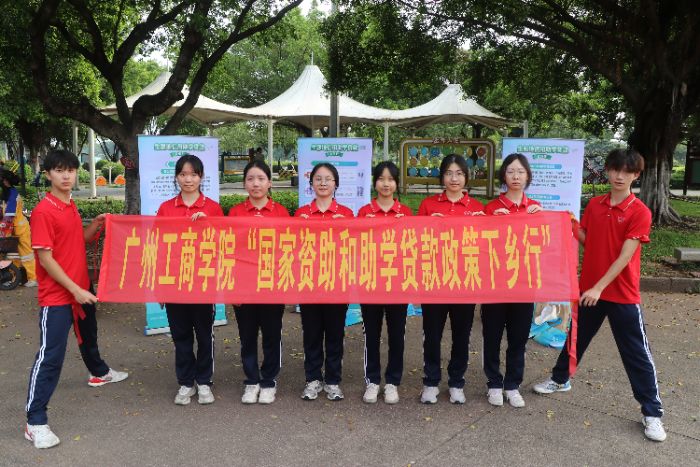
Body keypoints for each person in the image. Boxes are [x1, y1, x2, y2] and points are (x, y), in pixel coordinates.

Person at [533, 148, 667, 442]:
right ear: (607, 171)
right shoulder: (595, 205)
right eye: (615, 169)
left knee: (636, 353)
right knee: (576, 339)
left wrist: (599, 287)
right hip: (590, 289)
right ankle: (560, 379)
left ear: (636, 175)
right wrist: (569, 224)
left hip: (621, 293)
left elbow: (625, 257)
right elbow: (589, 242)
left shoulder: (640, 212)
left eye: (627, 171)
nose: (620, 176)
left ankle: (652, 413)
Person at [24, 150, 128, 449]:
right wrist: (75, 290)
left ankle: (99, 373)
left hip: (81, 288)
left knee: (88, 335)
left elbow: (75, 241)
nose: (66, 176)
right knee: (51, 357)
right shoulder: (43, 211)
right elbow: (46, 259)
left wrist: (95, 225)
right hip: (58, 296)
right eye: (59, 170)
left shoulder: (69, 205)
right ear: (48, 174)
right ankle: (35, 421)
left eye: (70, 170)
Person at [156, 154, 223, 406]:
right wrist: (161, 287)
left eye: (193, 174)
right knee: (181, 335)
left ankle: (204, 381)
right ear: (176, 177)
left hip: (203, 283)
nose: (188, 179)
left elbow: (224, 245)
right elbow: (159, 249)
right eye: (183, 174)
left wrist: (209, 225)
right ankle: (186, 383)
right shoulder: (166, 208)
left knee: (205, 335)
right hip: (175, 283)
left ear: (201, 177)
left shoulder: (212, 208)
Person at [417, 154, 484, 404]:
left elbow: (488, 244)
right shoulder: (428, 205)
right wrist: (427, 226)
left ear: (466, 177)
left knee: (461, 334)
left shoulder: (477, 208)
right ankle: (431, 382)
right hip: (434, 280)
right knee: (432, 334)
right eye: (448, 173)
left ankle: (457, 382)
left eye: (459, 173)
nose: (454, 178)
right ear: (442, 177)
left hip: (465, 281)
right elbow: (414, 241)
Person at [482, 153, 542, 408]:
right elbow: (480, 244)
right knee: (492, 336)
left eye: (520, 171)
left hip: (524, 283)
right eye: (510, 171)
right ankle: (494, 383)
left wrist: (541, 221)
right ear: (503, 176)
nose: (515, 176)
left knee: (518, 338)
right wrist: (493, 223)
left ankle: (512, 385)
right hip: (495, 282)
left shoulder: (535, 208)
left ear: (527, 176)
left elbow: (544, 245)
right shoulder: (491, 208)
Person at [229, 160, 290, 404]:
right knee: (247, 336)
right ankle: (251, 380)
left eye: (261, 179)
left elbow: (288, 251)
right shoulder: (235, 213)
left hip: (272, 284)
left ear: (270, 183)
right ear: (244, 183)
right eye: (251, 179)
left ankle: (268, 381)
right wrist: (233, 288)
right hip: (243, 286)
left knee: (272, 335)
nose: (256, 184)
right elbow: (229, 251)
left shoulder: (281, 212)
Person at [295, 162, 353, 401]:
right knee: (311, 334)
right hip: (309, 283)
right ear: (311, 184)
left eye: (328, 179)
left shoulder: (347, 214)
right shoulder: (301, 214)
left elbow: (353, 249)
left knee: (335, 334)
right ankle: (312, 380)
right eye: (318, 179)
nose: (323, 183)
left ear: (336, 184)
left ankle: (333, 381)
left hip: (337, 284)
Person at [357, 161, 412, 404]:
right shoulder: (364, 212)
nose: (386, 184)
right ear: (375, 182)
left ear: (396, 183)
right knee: (371, 334)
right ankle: (372, 380)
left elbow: (412, 247)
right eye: (381, 179)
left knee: (397, 334)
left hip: (397, 284)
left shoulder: (406, 213)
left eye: (390, 179)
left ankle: (392, 382)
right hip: (371, 282)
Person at [0, 169, 37, 286]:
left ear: (5, 181)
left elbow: (9, 216)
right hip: (14, 228)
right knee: (13, 255)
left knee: (27, 254)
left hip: (20, 228)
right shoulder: (8, 193)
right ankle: (13, 278)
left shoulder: (12, 195)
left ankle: (34, 279)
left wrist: (2, 231)